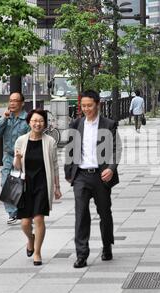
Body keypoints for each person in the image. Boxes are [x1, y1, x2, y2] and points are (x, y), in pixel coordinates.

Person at [64, 90, 121, 269]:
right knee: (81, 215)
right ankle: (82, 254)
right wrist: (68, 172)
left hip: (100, 176)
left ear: (98, 104)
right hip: (80, 175)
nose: (86, 109)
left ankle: (106, 246)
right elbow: (70, 150)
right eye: (83, 106)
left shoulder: (109, 124)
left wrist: (111, 169)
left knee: (105, 213)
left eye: (89, 105)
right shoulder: (76, 124)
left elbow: (116, 149)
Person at [13, 109, 62, 266]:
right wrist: (18, 159)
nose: (37, 123)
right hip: (25, 184)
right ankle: (30, 238)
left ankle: (37, 252)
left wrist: (57, 187)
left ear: (45, 124)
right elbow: (16, 167)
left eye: (40, 121)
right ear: (29, 122)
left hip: (42, 183)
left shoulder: (50, 142)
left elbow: (54, 165)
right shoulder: (21, 141)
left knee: (39, 218)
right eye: (34, 120)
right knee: (25, 223)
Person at [0, 92, 30, 225]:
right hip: (9, 156)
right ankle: (13, 213)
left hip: (23, 157)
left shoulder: (27, 119)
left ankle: (24, 211)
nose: (12, 103)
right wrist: (4, 118)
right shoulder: (6, 118)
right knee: (5, 184)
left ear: (22, 103)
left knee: (22, 185)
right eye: (10, 101)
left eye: (15, 101)